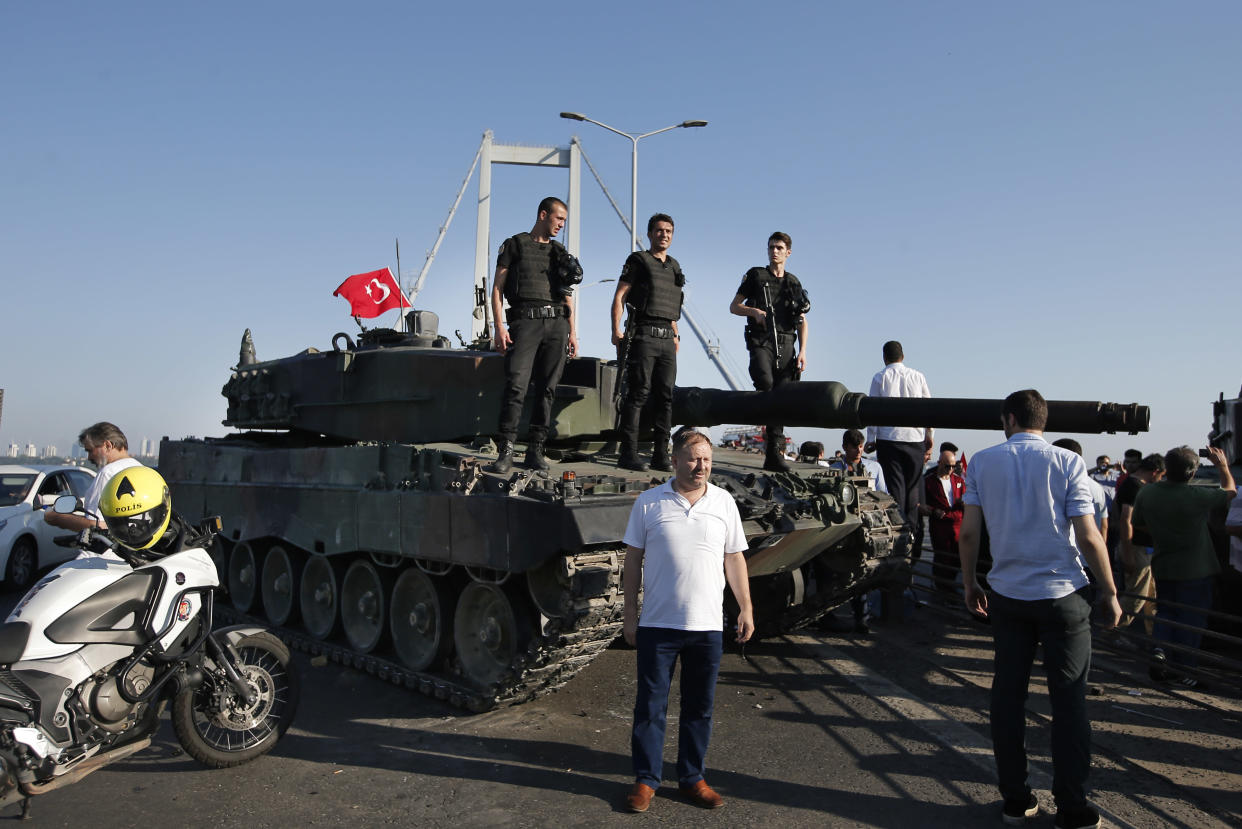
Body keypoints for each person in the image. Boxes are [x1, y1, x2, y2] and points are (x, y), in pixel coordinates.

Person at [959, 389, 1120, 829]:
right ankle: (1072, 807)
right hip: (1064, 597)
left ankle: (1015, 799)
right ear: (1042, 421)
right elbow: (1088, 536)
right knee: (1069, 704)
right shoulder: (1068, 463)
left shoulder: (982, 462)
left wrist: (971, 581)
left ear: (1008, 419)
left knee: (1006, 699)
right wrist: (1108, 591)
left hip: (1008, 597)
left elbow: (970, 533)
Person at [621, 429, 754, 813]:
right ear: (676, 459)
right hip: (658, 625)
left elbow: (734, 558)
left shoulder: (724, 502)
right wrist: (631, 615)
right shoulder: (649, 502)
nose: (702, 467)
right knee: (650, 707)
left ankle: (692, 777)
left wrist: (746, 606)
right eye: (694, 458)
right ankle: (646, 781)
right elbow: (632, 561)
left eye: (707, 460)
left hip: (707, 625)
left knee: (699, 707)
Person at [487, 196, 579, 474]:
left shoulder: (560, 252)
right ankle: (506, 450)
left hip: (556, 325)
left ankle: (535, 450)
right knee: (516, 386)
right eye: (558, 218)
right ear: (543, 215)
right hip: (524, 323)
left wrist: (573, 332)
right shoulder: (515, 244)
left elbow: (567, 295)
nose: (562, 224)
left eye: (564, 220)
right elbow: (497, 288)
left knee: (547, 390)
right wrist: (499, 326)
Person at [1131, 446, 1236, 687]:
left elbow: (1139, 524)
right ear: (1192, 473)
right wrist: (1222, 465)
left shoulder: (1147, 494)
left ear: (1166, 468)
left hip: (1164, 565)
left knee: (1166, 612)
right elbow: (1229, 492)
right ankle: (1187, 671)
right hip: (1196, 569)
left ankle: (1160, 650)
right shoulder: (1197, 496)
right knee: (1192, 620)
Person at [728, 232, 810, 472]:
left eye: (779, 247)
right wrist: (754, 312)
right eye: (771, 247)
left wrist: (803, 351)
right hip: (762, 341)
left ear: (788, 252)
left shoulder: (793, 282)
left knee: (783, 395)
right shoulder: (756, 275)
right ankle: (771, 444)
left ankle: (774, 453)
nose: (774, 251)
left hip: (787, 343)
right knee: (765, 383)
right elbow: (734, 306)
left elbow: (803, 320)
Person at [611, 214, 683, 472]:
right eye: (660, 230)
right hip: (643, 334)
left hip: (667, 338)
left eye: (669, 231)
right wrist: (615, 330)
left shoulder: (674, 267)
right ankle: (628, 453)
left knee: (666, 397)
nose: (664, 235)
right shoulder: (638, 261)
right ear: (650, 233)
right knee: (639, 393)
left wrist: (675, 334)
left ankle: (661, 455)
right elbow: (620, 296)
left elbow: (673, 306)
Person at [864, 341, 932, 558]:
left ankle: (898, 539)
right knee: (913, 491)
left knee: (895, 491)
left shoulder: (879, 377)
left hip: (889, 439)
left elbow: (872, 408)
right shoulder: (918, 376)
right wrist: (930, 436)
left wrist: (870, 437)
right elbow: (930, 407)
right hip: (915, 439)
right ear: (902, 356)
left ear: (885, 357)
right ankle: (912, 539)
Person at [44, 422, 141, 533]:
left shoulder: (108, 473)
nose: (89, 457)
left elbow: (96, 525)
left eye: (90, 450)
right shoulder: (140, 469)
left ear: (108, 445)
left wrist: (56, 517)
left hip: (103, 549)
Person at [1114, 454, 1165, 633]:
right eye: (1160, 476)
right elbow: (1125, 520)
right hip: (1137, 549)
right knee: (1135, 597)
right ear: (1155, 472)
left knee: (1149, 597)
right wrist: (1128, 555)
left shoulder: (1133, 485)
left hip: (1141, 549)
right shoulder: (1135, 488)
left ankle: (1152, 635)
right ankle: (1114, 631)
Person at [921, 443, 965, 595]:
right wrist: (933, 511)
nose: (951, 470)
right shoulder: (929, 481)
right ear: (939, 463)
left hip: (958, 525)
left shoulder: (959, 481)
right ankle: (942, 589)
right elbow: (921, 505)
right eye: (947, 466)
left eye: (953, 466)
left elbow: (968, 499)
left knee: (957, 558)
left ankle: (949, 587)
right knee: (942, 558)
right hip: (940, 526)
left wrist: (963, 502)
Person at [1051, 439, 1110, 541]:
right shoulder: (1097, 487)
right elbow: (1104, 525)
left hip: (1066, 549)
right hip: (1090, 550)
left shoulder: (1054, 485)